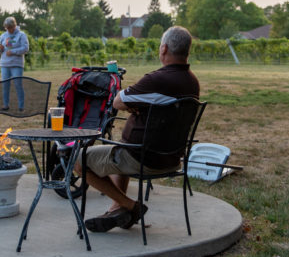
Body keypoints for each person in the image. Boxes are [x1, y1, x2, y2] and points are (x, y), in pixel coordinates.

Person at [79, 26, 200, 233]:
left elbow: (117, 101)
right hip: (171, 159)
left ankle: (130, 206)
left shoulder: (157, 80)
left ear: (163, 49)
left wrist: (133, 105)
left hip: (142, 158)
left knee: (79, 159)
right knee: (122, 146)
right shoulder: (191, 82)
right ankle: (118, 211)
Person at [0, 16, 30, 110]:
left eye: (10, 28)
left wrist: (13, 52)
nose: (9, 30)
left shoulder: (21, 35)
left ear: (14, 26)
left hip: (16, 64)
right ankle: (5, 104)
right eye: (7, 28)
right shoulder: (3, 35)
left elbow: (25, 48)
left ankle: (21, 106)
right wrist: (0, 48)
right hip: (4, 64)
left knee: (17, 84)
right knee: (5, 85)